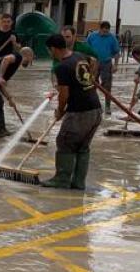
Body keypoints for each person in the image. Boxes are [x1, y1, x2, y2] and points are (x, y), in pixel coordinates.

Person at [43, 34, 103, 189]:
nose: (50, 53)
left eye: (49, 50)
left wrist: (60, 110)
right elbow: (94, 61)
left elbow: (64, 94)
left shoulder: (62, 67)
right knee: (83, 146)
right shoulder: (78, 56)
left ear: (53, 49)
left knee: (64, 141)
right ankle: (78, 182)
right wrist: (91, 79)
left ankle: (62, 180)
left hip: (79, 112)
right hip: (95, 109)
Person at [86, 21, 121, 113]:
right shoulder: (92, 36)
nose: (105, 32)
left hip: (106, 63)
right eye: (103, 30)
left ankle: (107, 106)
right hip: (94, 63)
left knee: (107, 86)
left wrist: (116, 65)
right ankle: (94, 105)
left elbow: (117, 52)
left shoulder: (112, 38)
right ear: (100, 29)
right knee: (92, 84)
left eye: (107, 30)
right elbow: (86, 49)